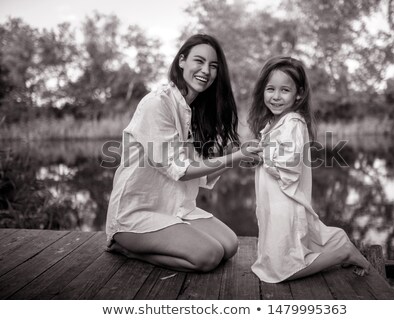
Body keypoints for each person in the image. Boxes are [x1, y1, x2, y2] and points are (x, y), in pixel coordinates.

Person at [106, 34, 262, 272]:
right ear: (181, 61)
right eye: (198, 61)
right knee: (208, 256)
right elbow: (182, 170)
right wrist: (236, 156)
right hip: (137, 213)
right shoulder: (157, 104)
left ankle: (170, 236)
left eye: (213, 66)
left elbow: (203, 176)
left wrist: (236, 155)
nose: (206, 71)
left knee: (229, 246)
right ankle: (126, 248)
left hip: (176, 209)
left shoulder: (194, 112)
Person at [247, 57, 371, 283]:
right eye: (270, 89)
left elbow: (289, 167)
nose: (276, 96)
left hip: (285, 202)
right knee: (274, 256)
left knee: (279, 270)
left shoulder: (293, 122)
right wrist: (260, 156)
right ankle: (337, 242)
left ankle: (342, 252)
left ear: (299, 94)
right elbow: (272, 158)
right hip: (272, 202)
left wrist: (262, 155)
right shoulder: (274, 123)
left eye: (285, 90)